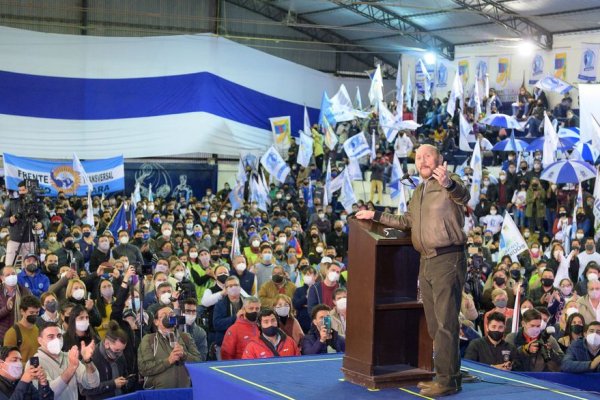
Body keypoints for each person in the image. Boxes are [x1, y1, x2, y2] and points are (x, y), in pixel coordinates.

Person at [356, 144, 469, 397]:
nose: (422, 160)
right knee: (434, 324)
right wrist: (375, 214)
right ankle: (449, 374)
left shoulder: (450, 182)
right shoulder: (419, 190)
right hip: (426, 261)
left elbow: (463, 195)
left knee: (445, 323)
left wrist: (449, 183)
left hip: (447, 258)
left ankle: (447, 381)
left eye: (427, 155)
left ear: (439, 159)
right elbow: (406, 222)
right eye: (418, 157)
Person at [31, 322, 100, 400]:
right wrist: (71, 368)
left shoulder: (69, 356)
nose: (56, 340)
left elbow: (93, 383)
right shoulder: (34, 363)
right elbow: (49, 394)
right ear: (40, 340)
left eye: (59, 336)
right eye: (50, 337)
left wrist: (88, 361)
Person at [137, 305, 202, 389]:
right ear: (156, 321)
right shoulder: (149, 340)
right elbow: (144, 368)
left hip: (184, 392)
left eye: (171, 315)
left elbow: (199, 362)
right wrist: (168, 361)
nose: (168, 318)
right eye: (164, 315)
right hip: (158, 394)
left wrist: (184, 355)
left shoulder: (185, 337)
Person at [80, 321, 132, 399]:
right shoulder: (91, 358)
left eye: (122, 350)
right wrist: (112, 384)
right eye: (117, 350)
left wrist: (126, 381)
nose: (120, 353)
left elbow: (124, 373)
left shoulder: (120, 355)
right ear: (107, 343)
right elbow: (84, 389)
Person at [1, 180, 47, 266]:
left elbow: (45, 219)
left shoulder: (38, 204)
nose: (21, 193)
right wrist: (10, 220)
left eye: (23, 190)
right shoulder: (13, 203)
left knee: (29, 267)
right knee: (9, 265)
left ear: (30, 190)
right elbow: (2, 220)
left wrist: (41, 224)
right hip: (14, 240)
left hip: (30, 240)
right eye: (20, 190)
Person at [3, 295, 41, 363]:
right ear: (22, 311)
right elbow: (8, 361)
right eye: (31, 312)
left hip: (38, 370)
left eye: (37, 312)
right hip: (21, 372)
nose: (35, 315)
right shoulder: (12, 333)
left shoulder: (39, 329)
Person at [212, 276, 244, 358]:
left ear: (240, 287)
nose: (233, 287)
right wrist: (235, 317)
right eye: (230, 286)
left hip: (243, 343)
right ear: (225, 289)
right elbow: (217, 324)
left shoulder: (247, 303)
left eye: (236, 285)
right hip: (223, 343)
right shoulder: (220, 305)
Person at [0, 266, 32, 342]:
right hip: (3, 336)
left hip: (22, 334)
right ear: (2, 278)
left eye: (13, 274)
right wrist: (7, 308)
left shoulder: (25, 291)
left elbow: (32, 312)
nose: (11, 276)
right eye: (8, 275)